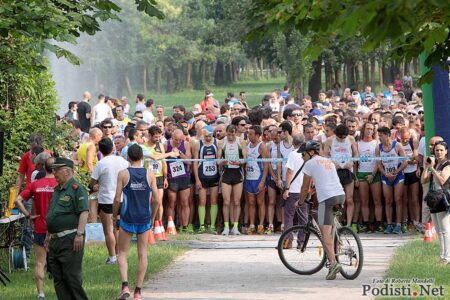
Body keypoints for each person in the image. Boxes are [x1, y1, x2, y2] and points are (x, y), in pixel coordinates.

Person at [296, 140, 345, 280]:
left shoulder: (309, 164)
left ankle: (333, 263)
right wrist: (313, 190)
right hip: (340, 195)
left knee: (325, 235)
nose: (302, 157)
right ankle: (338, 241)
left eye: (303, 154)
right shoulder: (328, 161)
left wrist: (299, 202)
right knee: (330, 227)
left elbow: (304, 188)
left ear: (311, 153)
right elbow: (326, 180)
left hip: (327, 199)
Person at [113, 144, 158, 299]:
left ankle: (125, 285)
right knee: (142, 253)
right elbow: (157, 199)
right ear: (142, 157)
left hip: (127, 217)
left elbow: (117, 198)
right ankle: (138, 291)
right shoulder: (150, 174)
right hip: (144, 218)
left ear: (128, 158)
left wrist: (114, 216)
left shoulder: (123, 174)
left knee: (122, 252)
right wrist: (152, 217)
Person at [45, 157, 89, 300]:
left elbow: (84, 212)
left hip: (70, 239)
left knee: (72, 278)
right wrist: (48, 235)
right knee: (58, 279)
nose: (54, 173)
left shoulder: (77, 189)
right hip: (55, 240)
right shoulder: (58, 190)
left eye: (56, 170)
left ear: (66, 171)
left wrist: (79, 234)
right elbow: (52, 213)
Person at [15, 157, 57, 299]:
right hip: (58, 228)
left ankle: (41, 294)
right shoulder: (61, 183)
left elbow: (17, 200)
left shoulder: (36, 184)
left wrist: (28, 215)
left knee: (40, 262)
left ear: (44, 168)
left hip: (40, 226)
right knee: (60, 261)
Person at [89, 138, 129, 265]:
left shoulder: (101, 164)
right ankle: (121, 254)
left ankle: (112, 256)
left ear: (100, 150)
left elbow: (92, 183)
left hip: (106, 199)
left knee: (108, 230)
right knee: (119, 228)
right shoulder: (123, 161)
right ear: (112, 148)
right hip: (122, 198)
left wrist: (95, 186)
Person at [323, 124, 358, 229]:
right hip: (335, 172)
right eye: (340, 137)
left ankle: (348, 224)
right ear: (336, 134)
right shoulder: (330, 140)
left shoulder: (351, 139)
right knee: (337, 200)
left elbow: (356, 154)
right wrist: (332, 162)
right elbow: (324, 155)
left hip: (347, 170)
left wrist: (352, 161)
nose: (342, 139)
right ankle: (337, 223)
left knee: (349, 199)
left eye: (344, 137)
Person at [421, 141, 450, 264]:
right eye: (436, 150)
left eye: (441, 150)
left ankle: (447, 257)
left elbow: (442, 181)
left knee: (445, 230)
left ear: (446, 151)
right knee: (438, 231)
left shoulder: (447, 165)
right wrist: (427, 167)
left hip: (443, 198)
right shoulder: (436, 165)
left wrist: (432, 168)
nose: (438, 152)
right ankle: (442, 255)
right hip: (433, 199)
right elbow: (423, 180)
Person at [376, 126, 408, 234]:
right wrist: (385, 173)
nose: (379, 137)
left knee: (398, 199)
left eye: (381, 135)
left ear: (387, 135)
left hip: (397, 175)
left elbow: (405, 162)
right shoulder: (378, 147)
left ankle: (398, 225)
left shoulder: (397, 145)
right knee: (388, 200)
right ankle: (389, 224)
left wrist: (396, 172)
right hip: (386, 175)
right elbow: (378, 163)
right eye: (378, 135)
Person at [218, 124, 247, 235]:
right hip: (226, 174)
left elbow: (245, 159)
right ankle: (226, 226)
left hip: (237, 173)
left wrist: (239, 162)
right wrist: (222, 162)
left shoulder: (241, 141)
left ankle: (235, 226)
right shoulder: (222, 142)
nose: (230, 137)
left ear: (236, 133)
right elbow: (218, 160)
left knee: (236, 202)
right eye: (229, 134)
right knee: (226, 202)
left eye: (232, 134)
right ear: (226, 133)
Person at [193, 125, 220, 233]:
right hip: (202, 176)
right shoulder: (198, 144)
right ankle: (202, 226)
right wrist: (197, 179)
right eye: (206, 136)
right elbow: (195, 162)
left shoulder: (217, 143)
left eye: (209, 136)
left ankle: (212, 226)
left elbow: (219, 161)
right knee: (202, 201)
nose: (208, 138)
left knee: (213, 201)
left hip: (214, 176)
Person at [356, 122, 383, 233]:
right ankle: (366, 223)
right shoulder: (358, 143)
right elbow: (355, 162)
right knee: (364, 201)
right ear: (363, 129)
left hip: (374, 173)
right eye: (367, 128)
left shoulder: (376, 143)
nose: (369, 131)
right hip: (361, 172)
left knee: (377, 200)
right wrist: (355, 177)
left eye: (372, 129)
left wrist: (372, 174)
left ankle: (379, 223)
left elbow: (379, 161)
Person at [165, 128, 192, 232]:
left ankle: (184, 226)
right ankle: (171, 226)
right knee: (172, 202)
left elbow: (189, 161)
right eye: (176, 139)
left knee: (185, 202)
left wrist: (180, 152)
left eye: (180, 139)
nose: (178, 141)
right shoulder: (166, 144)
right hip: (172, 177)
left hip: (183, 177)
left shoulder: (186, 144)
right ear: (172, 137)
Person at [244, 125, 268, 234]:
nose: (248, 136)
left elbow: (266, 164)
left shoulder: (261, 146)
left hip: (259, 177)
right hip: (249, 177)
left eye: (251, 134)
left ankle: (261, 225)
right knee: (251, 202)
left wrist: (263, 180)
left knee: (260, 202)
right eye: (248, 134)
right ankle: (252, 224)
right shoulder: (246, 145)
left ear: (258, 135)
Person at [282, 135, 306, 244]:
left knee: (289, 216)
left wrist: (286, 188)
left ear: (294, 144)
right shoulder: (307, 155)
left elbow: (289, 172)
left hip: (293, 190)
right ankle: (301, 242)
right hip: (304, 190)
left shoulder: (293, 154)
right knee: (303, 217)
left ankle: (288, 240)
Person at [398, 127, 421, 232]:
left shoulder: (413, 143)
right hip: (402, 173)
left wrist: (413, 161)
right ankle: (405, 221)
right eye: (403, 138)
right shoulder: (397, 144)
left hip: (412, 173)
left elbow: (418, 159)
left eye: (407, 138)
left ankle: (416, 221)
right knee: (404, 199)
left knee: (414, 199)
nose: (405, 140)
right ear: (399, 136)